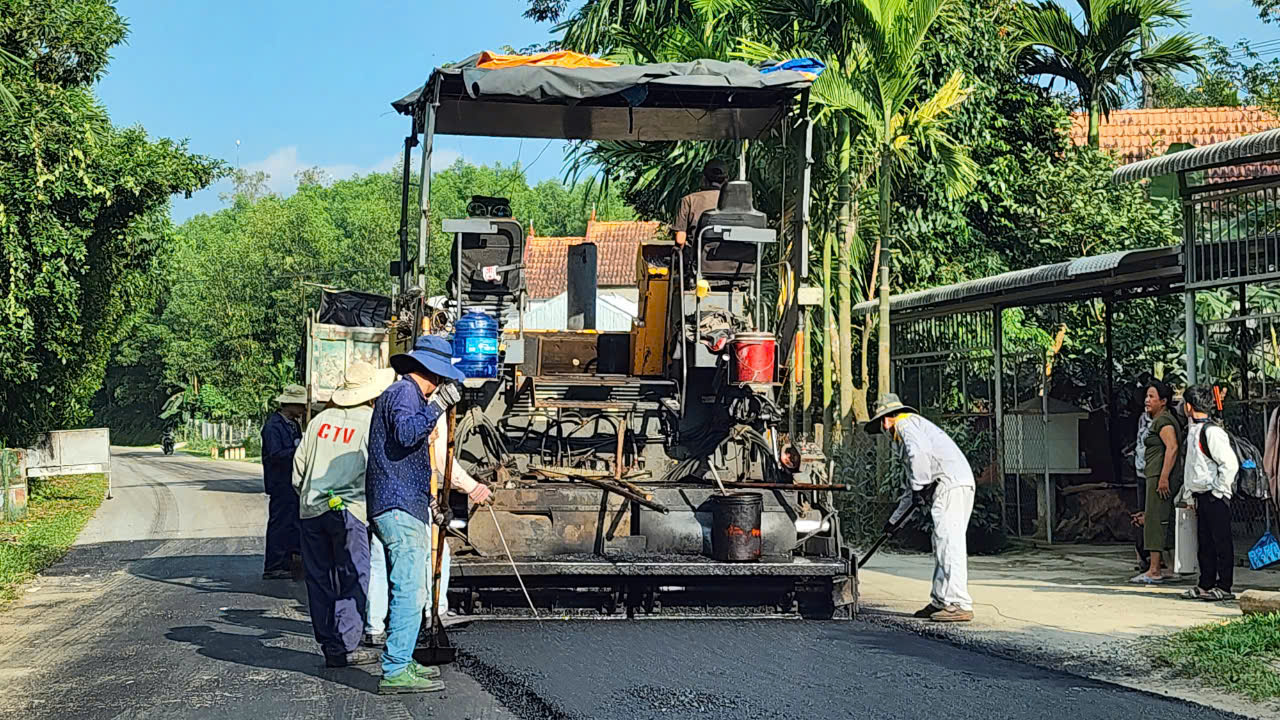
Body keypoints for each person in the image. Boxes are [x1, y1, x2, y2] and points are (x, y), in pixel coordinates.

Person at [366, 335, 468, 695]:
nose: (440, 385)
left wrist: (433, 506)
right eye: (440, 379)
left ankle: (402, 657)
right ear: (431, 372)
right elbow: (409, 434)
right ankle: (395, 669)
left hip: (405, 502)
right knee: (409, 590)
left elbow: (409, 458)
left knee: (413, 586)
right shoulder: (404, 395)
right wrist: (437, 406)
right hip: (397, 505)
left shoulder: (403, 396)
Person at [364, 387, 494, 647]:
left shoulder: (383, 409)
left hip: (381, 499)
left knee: (379, 562)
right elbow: (438, 460)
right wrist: (472, 487)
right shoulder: (427, 409)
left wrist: (433, 501)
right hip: (406, 501)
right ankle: (428, 618)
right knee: (426, 562)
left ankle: (374, 625)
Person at [292, 362, 394, 668]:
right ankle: (349, 644)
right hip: (349, 512)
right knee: (353, 577)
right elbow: (378, 472)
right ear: (373, 393)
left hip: (311, 510)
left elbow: (298, 472)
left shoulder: (319, 422)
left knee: (319, 579)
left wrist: (311, 496)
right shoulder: (372, 423)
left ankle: (331, 646)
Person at [866, 393, 976, 623]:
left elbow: (920, 458)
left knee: (949, 542)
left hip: (950, 484)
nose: (885, 432)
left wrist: (919, 487)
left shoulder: (906, 425)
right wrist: (895, 522)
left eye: (882, 425)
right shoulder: (912, 431)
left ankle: (959, 603)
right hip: (946, 484)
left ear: (887, 420)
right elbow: (912, 486)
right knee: (941, 542)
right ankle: (941, 600)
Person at [1179, 385, 1240, 602]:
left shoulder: (1212, 432)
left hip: (1215, 496)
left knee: (1220, 541)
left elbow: (1230, 464)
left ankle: (1224, 585)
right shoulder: (1194, 431)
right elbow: (1191, 467)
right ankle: (1205, 583)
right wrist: (1189, 495)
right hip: (1200, 495)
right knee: (1204, 543)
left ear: (1188, 406)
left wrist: (1218, 490)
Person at [1132, 381, 1183, 584]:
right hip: (1153, 475)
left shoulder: (1164, 422)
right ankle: (1170, 567)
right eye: (1147, 396)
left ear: (1163, 401)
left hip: (1159, 477)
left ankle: (1154, 569)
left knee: (1155, 520)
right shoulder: (1156, 420)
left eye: (1152, 396)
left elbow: (1172, 448)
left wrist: (1163, 477)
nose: (1147, 400)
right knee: (1164, 519)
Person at [262, 384, 306, 580]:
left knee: (292, 522)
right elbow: (275, 454)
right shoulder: (273, 427)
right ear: (289, 405)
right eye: (300, 406)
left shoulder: (293, 425)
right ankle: (273, 565)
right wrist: (298, 452)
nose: (303, 410)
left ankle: (288, 562)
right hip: (280, 482)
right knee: (280, 523)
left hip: (292, 481)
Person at [673, 159, 728, 249]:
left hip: (700, 259)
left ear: (703, 178)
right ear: (726, 180)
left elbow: (680, 239)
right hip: (736, 261)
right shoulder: (739, 203)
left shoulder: (689, 200)